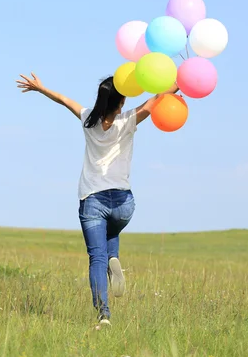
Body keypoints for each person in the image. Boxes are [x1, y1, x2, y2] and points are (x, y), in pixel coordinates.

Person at [15, 72, 178, 325]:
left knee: (96, 258)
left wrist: (40, 88)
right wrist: (182, 81)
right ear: (121, 102)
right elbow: (157, 98)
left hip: (92, 200)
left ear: (101, 99)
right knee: (112, 230)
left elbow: (63, 99)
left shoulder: (87, 120)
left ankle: (104, 314)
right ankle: (115, 257)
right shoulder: (129, 121)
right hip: (124, 204)